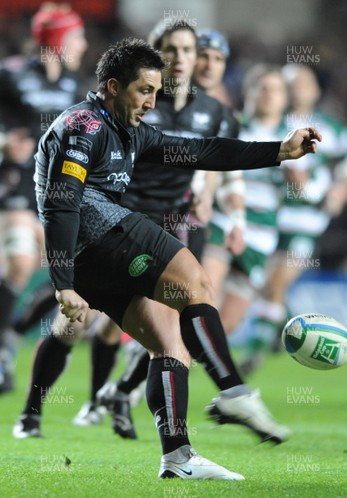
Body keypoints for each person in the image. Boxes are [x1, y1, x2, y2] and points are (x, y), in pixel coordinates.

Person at [12, 37, 321, 480]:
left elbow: (202, 152)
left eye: (157, 92)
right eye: (144, 91)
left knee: (170, 347)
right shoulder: (85, 127)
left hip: (93, 261)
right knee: (197, 284)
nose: (152, 102)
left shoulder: (132, 132)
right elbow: (61, 203)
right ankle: (233, 390)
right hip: (100, 234)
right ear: (113, 86)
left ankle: (177, 455)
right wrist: (62, 283)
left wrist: (278, 151)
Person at [73, 19, 244, 440]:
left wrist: (215, 197)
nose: (198, 62)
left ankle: (134, 407)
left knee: (171, 326)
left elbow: (211, 157)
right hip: (123, 220)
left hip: (177, 221)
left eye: (210, 57)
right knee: (119, 325)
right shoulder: (142, 103)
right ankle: (102, 395)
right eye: (186, 52)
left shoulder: (216, 112)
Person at [0, 3, 88, 393]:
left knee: (78, 275)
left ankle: (12, 336)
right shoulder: (9, 73)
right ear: (58, 40)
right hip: (15, 184)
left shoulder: (75, 86)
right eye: (76, 36)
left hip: (58, 191)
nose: (84, 43)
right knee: (21, 264)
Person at [241, 63, 347, 373]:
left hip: (306, 222)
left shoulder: (330, 129)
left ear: (316, 90)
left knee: (275, 284)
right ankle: (284, 325)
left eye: (304, 84)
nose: (297, 90)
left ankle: (252, 357)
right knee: (260, 284)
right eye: (290, 85)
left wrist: (339, 193)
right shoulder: (269, 123)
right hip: (265, 218)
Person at [202, 64, 289, 352]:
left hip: (261, 237)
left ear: (284, 98)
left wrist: (301, 183)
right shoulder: (231, 125)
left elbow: (315, 189)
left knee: (226, 326)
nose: (268, 95)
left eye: (275, 90)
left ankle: (169, 365)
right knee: (202, 302)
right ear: (248, 92)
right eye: (261, 88)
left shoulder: (294, 137)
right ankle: (157, 369)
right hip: (222, 222)